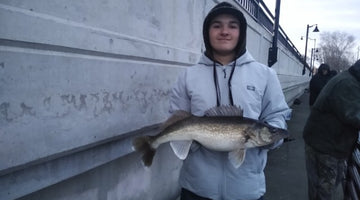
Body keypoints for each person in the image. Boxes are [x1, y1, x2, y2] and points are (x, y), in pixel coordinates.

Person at [169, 2, 291, 199]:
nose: (224, 31)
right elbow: (176, 120)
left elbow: (278, 116)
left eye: (233, 26)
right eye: (216, 25)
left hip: (247, 189)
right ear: (207, 32)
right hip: (196, 188)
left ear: (241, 33)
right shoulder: (187, 76)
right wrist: (196, 141)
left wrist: (268, 140)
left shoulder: (265, 75)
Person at [303, 59, 360, 200]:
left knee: (321, 187)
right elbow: (355, 115)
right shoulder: (348, 84)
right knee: (324, 189)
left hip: (324, 143)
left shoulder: (348, 79)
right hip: (326, 147)